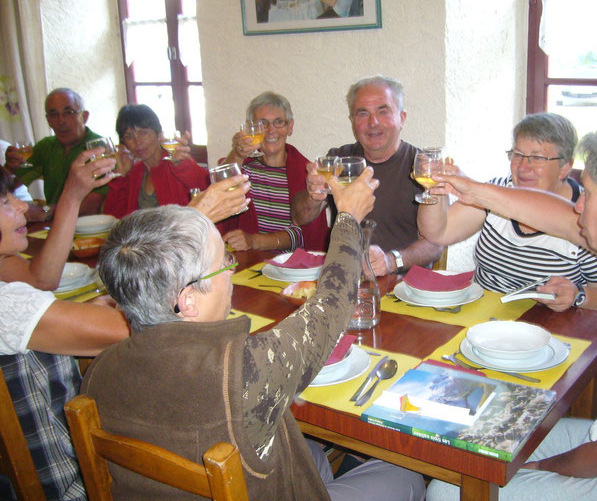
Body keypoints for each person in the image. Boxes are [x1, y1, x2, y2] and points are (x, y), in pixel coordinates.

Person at [81, 168, 426, 500]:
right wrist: (347, 219)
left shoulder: (99, 371)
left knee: (308, 452)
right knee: (405, 473)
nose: (230, 273)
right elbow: (331, 308)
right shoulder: (245, 370)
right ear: (187, 301)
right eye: (224, 264)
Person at [426, 112, 597, 500]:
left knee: (448, 489)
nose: (578, 207)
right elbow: (550, 214)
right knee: (468, 442)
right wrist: (472, 189)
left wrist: (529, 471)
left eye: (589, 194)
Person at [0, 156, 250, 500]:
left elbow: (41, 282)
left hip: (92, 446)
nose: (22, 205)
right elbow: (154, 327)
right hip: (80, 478)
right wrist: (193, 220)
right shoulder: (6, 308)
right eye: (4, 201)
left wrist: (72, 197)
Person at [418, 113, 597, 312]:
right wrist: (434, 187)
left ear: (565, 167)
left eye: (537, 157)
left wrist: (578, 294)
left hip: (547, 329)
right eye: (518, 154)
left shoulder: (583, 214)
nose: (524, 166)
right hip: (480, 317)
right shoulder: (497, 190)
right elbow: (438, 233)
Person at [291, 75, 443, 276]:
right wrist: (313, 195)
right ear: (352, 120)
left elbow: (436, 243)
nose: (373, 122)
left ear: (402, 118)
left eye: (383, 111)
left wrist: (391, 261)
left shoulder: (424, 168)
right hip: (342, 279)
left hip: (403, 288)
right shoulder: (338, 159)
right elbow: (299, 217)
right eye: (362, 113)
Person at [220, 91, 329, 252]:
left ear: (290, 127)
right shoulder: (244, 168)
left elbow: (304, 235)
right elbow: (219, 193)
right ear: (251, 128)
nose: (271, 130)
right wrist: (236, 154)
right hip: (246, 263)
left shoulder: (307, 172)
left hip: (291, 267)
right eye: (263, 123)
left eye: (279, 122)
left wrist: (255, 241)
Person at [102, 104, 210, 219]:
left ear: (158, 134)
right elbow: (112, 217)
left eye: (143, 133)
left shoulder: (176, 163)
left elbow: (205, 186)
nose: (137, 141)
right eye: (129, 136)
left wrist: (181, 164)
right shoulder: (135, 172)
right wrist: (121, 175)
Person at [15, 88, 108, 217]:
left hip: (91, 226)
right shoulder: (45, 147)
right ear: (48, 120)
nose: (60, 121)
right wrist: (9, 169)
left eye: (68, 112)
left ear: (84, 116)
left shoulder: (99, 147)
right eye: (53, 115)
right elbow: (15, 183)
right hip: (53, 224)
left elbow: (93, 205)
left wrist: (46, 211)